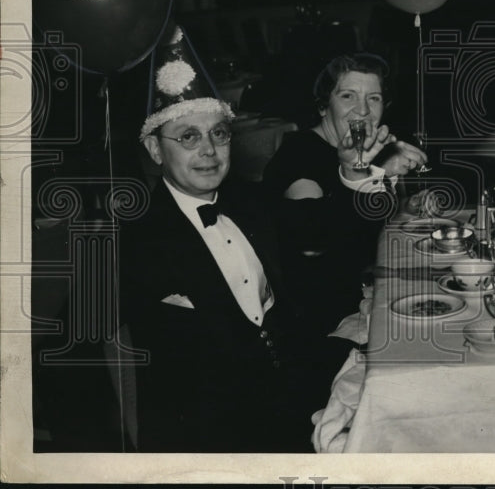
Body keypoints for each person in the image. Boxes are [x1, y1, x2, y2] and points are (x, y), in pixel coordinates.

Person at [120, 24, 343, 452]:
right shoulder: (135, 239)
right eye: (188, 137)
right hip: (207, 442)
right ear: (154, 150)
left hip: (291, 412)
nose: (209, 149)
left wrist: (354, 176)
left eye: (218, 134)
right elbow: (71, 355)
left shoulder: (250, 204)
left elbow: (314, 235)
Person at [262, 53, 427, 337]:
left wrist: (403, 203)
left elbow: (367, 225)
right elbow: (314, 242)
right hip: (328, 317)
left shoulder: (367, 150)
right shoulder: (299, 156)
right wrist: (373, 176)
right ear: (324, 106)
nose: (362, 110)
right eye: (348, 96)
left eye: (373, 98)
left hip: (370, 288)